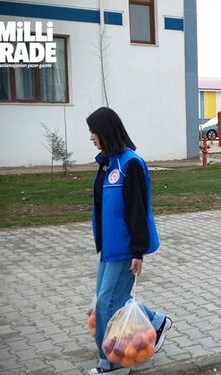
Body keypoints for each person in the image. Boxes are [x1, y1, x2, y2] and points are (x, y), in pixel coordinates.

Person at [87, 107, 171, 374]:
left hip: (124, 247)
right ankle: (156, 321)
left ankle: (110, 364)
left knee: (106, 303)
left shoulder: (130, 163)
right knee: (116, 299)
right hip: (108, 248)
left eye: (93, 131)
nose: (90, 137)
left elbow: (137, 210)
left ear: (106, 132)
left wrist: (138, 251)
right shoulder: (107, 163)